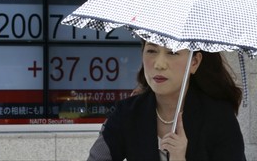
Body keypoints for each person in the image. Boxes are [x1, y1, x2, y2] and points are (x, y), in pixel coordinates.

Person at [87, 40, 246, 161]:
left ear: (194, 62)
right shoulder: (128, 113)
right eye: (151, 51)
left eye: (173, 52)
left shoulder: (218, 117)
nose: (159, 64)